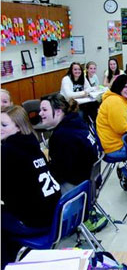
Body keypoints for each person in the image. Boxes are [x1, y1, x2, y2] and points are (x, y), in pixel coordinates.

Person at [1, 106, 61, 267]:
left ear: (19, 127)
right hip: (55, 215)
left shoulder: (7, 151)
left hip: (37, 222)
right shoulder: (33, 144)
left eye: (4, 125)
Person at [39, 93, 98, 192]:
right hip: (91, 181)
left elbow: (59, 173)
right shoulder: (77, 121)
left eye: (44, 110)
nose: (40, 113)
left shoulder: (62, 136)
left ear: (58, 112)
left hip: (78, 187)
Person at [96, 74, 127, 160]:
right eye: (125, 87)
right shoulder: (115, 101)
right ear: (118, 87)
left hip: (121, 142)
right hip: (114, 148)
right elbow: (122, 128)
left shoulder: (125, 99)